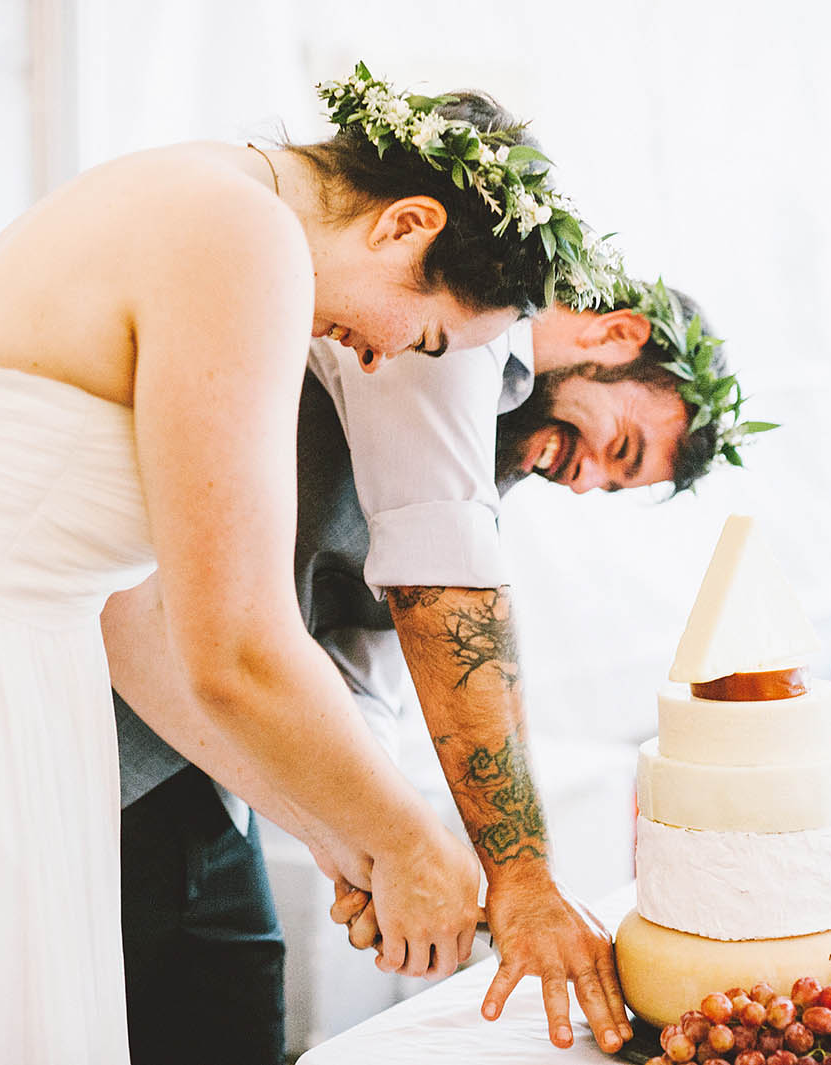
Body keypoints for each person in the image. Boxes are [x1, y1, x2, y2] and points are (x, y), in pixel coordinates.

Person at [0, 64, 613, 1063]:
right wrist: (412, 843)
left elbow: (138, 618)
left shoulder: (199, 190)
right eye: (426, 333)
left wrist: (338, 835)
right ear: (405, 226)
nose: (386, 358)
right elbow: (238, 647)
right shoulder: (243, 240)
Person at [114, 285, 750, 1063]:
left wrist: (367, 850)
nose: (585, 482)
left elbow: (363, 667)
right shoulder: (449, 323)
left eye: (612, 485)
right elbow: (443, 589)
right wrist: (505, 873)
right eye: (619, 446)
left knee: (239, 1005)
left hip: (203, 765)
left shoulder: (495, 456)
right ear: (616, 333)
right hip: (103, 741)